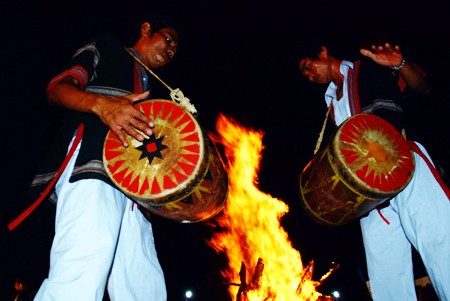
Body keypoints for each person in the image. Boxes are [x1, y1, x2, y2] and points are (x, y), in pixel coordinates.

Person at [19, 14, 180, 301]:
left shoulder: (151, 90)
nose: (171, 50)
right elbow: (57, 89)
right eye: (168, 39)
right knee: (81, 276)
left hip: (136, 196)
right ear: (146, 29)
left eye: (175, 49)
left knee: (144, 289)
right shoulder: (107, 46)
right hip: (93, 169)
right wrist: (101, 105)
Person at [297, 39, 450, 301]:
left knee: (439, 242)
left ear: (323, 51)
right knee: (384, 274)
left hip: (404, 165)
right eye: (306, 74)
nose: (310, 76)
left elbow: (421, 88)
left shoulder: (367, 68)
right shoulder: (331, 105)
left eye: (309, 66)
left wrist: (400, 64)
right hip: (369, 196)